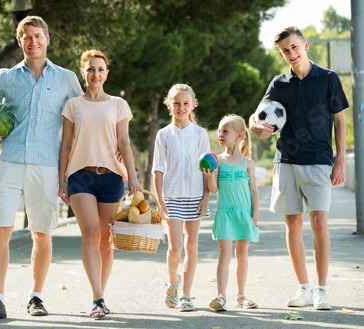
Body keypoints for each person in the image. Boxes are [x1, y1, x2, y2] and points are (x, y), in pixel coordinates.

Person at [0, 16, 83, 319]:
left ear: (48, 38)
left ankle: (36, 297)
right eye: (27, 37)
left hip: (47, 164)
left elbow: (81, 120)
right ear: (20, 41)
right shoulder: (6, 77)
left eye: (38, 35)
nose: (33, 41)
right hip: (9, 160)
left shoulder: (67, 78)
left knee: (41, 234)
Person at [249, 26, 348, 310]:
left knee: (319, 222)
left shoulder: (328, 78)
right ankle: (303, 288)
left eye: (294, 47)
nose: (291, 54)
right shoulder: (278, 83)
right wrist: (256, 127)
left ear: (304, 45)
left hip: (319, 161)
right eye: (285, 51)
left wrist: (339, 159)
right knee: (293, 224)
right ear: (281, 54)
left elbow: (340, 122)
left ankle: (321, 290)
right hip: (287, 161)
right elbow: (256, 116)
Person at [58, 49, 141, 319]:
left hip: (112, 178)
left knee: (106, 240)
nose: (95, 74)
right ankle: (98, 298)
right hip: (80, 175)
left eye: (100, 69)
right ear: (83, 71)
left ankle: (99, 298)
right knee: (91, 233)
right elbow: (66, 144)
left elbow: (124, 143)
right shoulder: (73, 105)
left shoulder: (118, 104)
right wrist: (61, 178)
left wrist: (133, 176)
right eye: (91, 69)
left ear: (107, 73)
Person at [152, 84, 210, 312]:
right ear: (169, 105)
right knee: (175, 248)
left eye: (186, 103)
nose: (181, 107)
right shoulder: (163, 135)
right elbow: (157, 169)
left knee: (192, 245)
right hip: (172, 197)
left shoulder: (200, 134)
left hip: (195, 196)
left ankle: (186, 294)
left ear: (193, 105)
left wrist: (205, 197)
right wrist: (159, 200)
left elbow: (208, 168)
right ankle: (173, 283)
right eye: (176, 103)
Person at [202, 114, 259, 311]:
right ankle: (221, 296)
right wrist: (209, 176)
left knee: (242, 254)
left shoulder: (248, 163)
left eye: (225, 131)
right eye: (219, 131)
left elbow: (254, 191)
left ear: (239, 136)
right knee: (224, 254)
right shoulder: (217, 161)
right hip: (225, 214)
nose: (220, 134)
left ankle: (241, 295)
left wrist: (255, 216)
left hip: (244, 214)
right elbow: (214, 189)